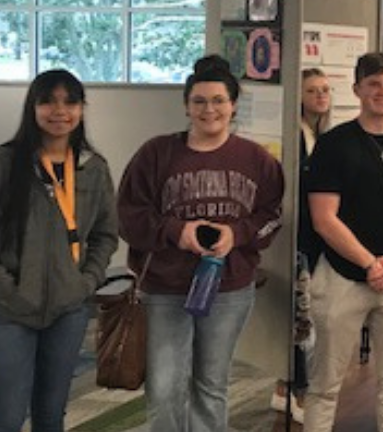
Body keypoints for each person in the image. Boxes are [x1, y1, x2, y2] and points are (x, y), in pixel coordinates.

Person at [117, 56, 285, 432]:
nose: (209, 110)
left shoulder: (258, 160)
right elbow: (129, 215)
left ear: (234, 104)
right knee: (163, 387)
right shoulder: (156, 154)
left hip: (228, 288)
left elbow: (271, 216)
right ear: (186, 106)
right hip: (165, 287)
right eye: (199, 101)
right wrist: (178, 232)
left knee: (212, 385)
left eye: (219, 100)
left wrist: (236, 234)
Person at [0, 69, 119, 432]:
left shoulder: (93, 169)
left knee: (50, 416)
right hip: (9, 310)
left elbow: (107, 235)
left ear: (82, 109)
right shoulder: (4, 163)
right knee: (7, 418)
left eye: (70, 102)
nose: (59, 111)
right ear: (33, 107)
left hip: (68, 310)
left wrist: (86, 281)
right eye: (48, 101)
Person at [303, 52, 383, 432]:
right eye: (373, 84)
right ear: (357, 89)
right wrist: (370, 263)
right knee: (325, 384)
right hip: (343, 277)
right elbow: (324, 219)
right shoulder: (334, 145)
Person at [271, 67, 333, 424]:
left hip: (315, 235)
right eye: (312, 90)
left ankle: (284, 386)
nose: (320, 96)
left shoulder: (323, 135)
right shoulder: (293, 134)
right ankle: (296, 389)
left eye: (325, 89)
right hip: (295, 233)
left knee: (305, 313)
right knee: (299, 314)